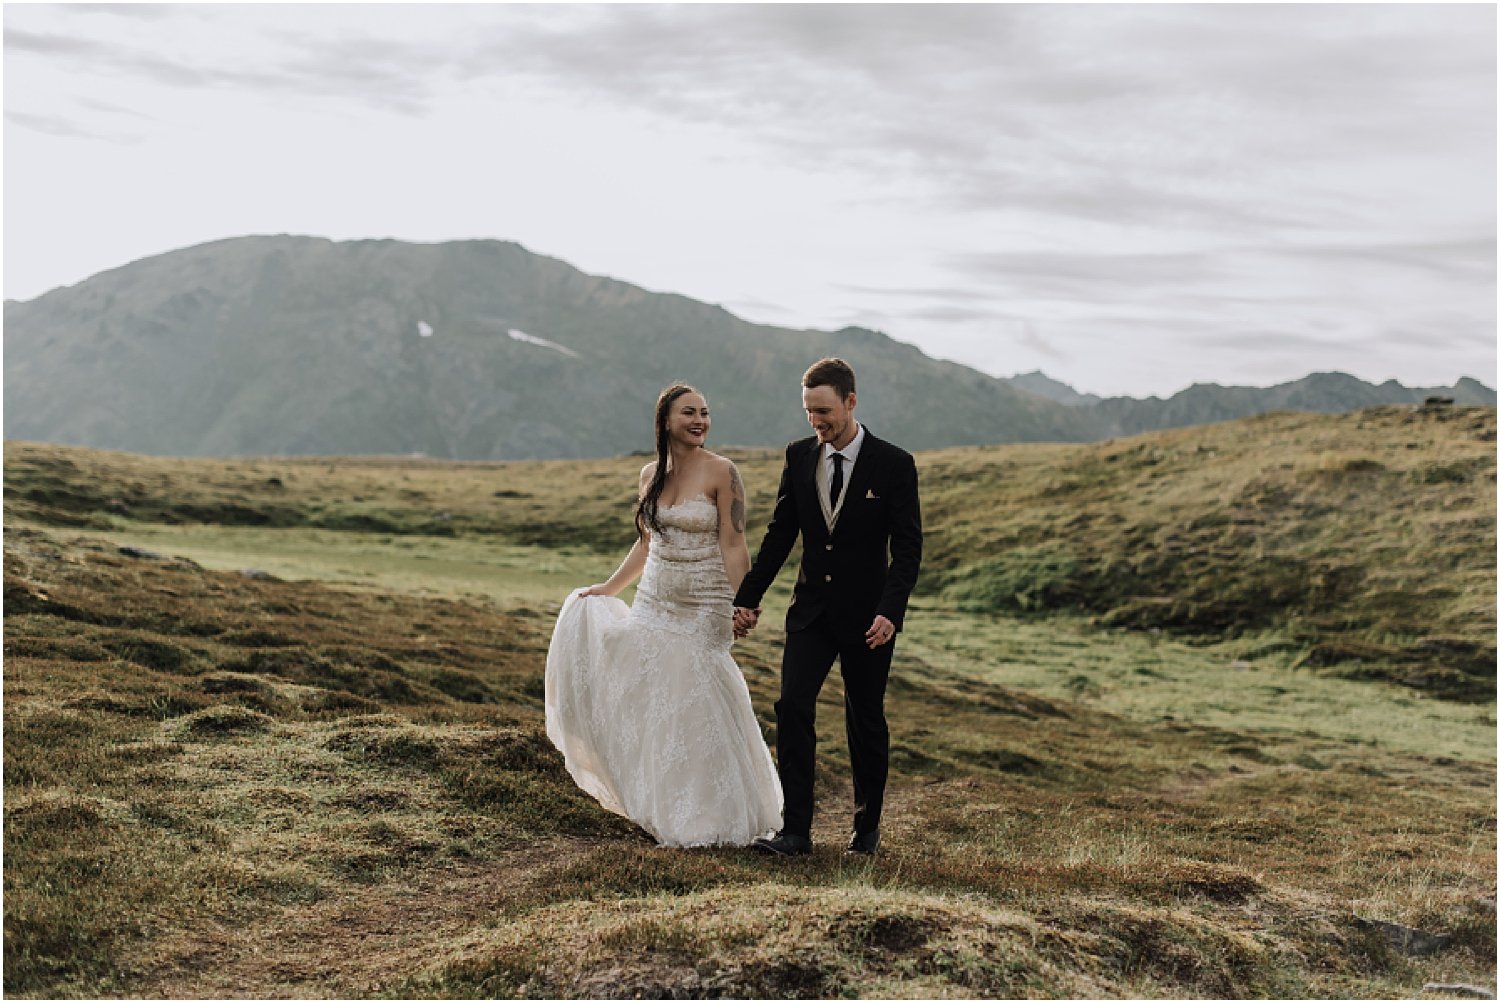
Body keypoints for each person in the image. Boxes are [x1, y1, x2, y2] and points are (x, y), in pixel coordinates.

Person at [544, 384, 783, 847]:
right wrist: (608, 589)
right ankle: (660, 804)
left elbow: (733, 542)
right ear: (666, 421)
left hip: (704, 603)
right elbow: (647, 543)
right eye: (689, 412)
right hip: (655, 600)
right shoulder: (650, 474)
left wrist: (744, 601)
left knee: (696, 693)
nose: (700, 420)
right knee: (655, 697)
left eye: (705, 413)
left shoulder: (722, 471)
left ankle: (710, 813)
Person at [733, 358, 922, 856]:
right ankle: (796, 831)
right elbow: (780, 535)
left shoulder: (894, 463)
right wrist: (748, 597)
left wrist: (890, 611)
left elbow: (907, 549)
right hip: (811, 612)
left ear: (850, 402)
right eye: (808, 411)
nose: (815, 421)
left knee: (865, 718)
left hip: (870, 619)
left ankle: (866, 829)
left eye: (824, 411)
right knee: (792, 706)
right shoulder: (798, 456)